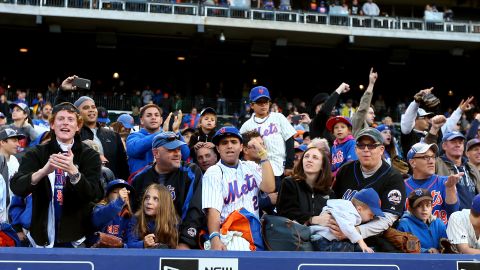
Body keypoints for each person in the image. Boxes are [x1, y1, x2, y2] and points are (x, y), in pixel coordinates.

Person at [10, 102, 103, 247]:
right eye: (60, 119)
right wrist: (43, 172)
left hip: (76, 238)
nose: (65, 123)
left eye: (70, 119)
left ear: (78, 126)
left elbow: (95, 194)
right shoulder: (36, 153)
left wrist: (74, 173)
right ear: (52, 124)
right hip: (41, 237)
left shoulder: (90, 156)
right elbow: (17, 187)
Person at [202, 126, 275, 250]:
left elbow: (269, 187)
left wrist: (263, 153)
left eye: (234, 142)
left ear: (241, 147)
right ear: (218, 149)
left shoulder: (251, 166)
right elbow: (213, 210)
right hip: (230, 234)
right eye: (224, 143)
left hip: (254, 233)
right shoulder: (214, 172)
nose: (229, 146)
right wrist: (215, 238)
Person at [333, 128, 406, 250]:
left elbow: (388, 218)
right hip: (340, 230)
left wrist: (355, 231)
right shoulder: (345, 170)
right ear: (356, 150)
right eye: (361, 146)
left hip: (374, 237)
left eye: (371, 145)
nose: (366, 150)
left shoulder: (393, 177)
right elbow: (333, 201)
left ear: (381, 149)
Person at [130, 131, 204, 249]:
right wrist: (142, 243)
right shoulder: (139, 178)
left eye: (179, 149)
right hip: (146, 243)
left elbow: (194, 210)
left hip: (179, 240)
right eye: (171, 150)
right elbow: (134, 215)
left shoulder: (191, 172)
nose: (177, 154)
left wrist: (185, 242)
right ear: (156, 153)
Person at [240, 86, 296, 191]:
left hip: (281, 167)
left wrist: (289, 165)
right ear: (252, 105)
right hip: (259, 171)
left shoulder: (278, 117)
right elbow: (240, 148)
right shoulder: (246, 126)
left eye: (266, 102)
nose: (263, 105)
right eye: (259, 102)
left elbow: (289, 140)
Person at [310, 188, 384, 253]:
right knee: (347, 250)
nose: (371, 218)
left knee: (350, 247)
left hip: (320, 237)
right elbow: (347, 227)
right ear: (359, 209)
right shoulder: (351, 213)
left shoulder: (345, 206)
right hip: (323, 240)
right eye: (370, 215)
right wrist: (362, 243)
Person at [74, 96, 130, 181]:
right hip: (85, 186)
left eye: (93, 107)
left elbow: (123, 167)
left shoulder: (113, 136)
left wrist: (122, 185)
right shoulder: (74, 135)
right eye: (86, 108)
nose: (91, 110)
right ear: (77, 113)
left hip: (111, 188)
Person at [277, 146, 334, 226]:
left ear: (322, 166)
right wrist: (312, 219)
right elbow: (285, 212)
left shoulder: (328, 192)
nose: (309, 160)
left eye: (315, 157)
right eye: (306, 156)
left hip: (321, 235)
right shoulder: (289, 183)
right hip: (295, 235)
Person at [404, 142, 460, 224]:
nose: (431, 161)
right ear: (412, 162)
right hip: (413, 235)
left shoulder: (445, 182)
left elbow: (453, 212)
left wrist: (450, 188)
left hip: (442, 234)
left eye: (433, 157)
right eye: (426, 157)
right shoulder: (402, 186)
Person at [127, 104, 189, 174]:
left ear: (161, 120)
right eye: (149, 115)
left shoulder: (170, 136)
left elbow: (185, 156)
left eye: (156, 115)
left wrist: (176, 131)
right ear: (141, 120)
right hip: (141, 183)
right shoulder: (134, 136)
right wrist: (161, 134)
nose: (153, 118)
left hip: (164, 182)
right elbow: (134, 150)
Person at [435, 131, 480, 210]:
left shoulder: (471, 167)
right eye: (453, 142)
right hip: (449, 216)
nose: (458, 145)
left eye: (460, 142)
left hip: (473, 217)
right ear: (444, 146)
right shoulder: (436, 163)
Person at [126, 184, 179, 249]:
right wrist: (143, 244)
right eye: (147, 198)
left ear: (164, 204)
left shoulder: (173, 221)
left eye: (155, 199)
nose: (149, 202)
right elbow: (129, 245)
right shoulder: (136, 219)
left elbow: (174, 247)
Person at [397, 188, 447, 253]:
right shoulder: (405, 225)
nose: (424, 209)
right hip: (415, 261)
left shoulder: (438, 224)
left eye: (428, 205)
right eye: (419, 206)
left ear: (432, 207)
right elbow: (406, 247)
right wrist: (425, 251)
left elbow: (446, 246)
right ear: (410, 209)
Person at [92, 179, 134, 245]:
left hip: (119, 254)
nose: (121, 195)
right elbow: (97, 220)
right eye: (116, 192)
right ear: (107, 196)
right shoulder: (99, 208)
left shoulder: (129, 216)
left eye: (125, 192)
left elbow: (130, 243)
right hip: (96, 253)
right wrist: (119, 201)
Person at [0, 128, 25, 223]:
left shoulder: (14, 160)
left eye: (18, 141)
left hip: (11, 216)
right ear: (2, 142)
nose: (18, 144)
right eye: (14, 141)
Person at [351, 68, 378, 137]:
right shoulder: (356, 124)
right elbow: (364, 106)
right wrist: (371, 84)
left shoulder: (371, 130)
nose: (374, 116)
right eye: (371, 113)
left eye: (373, 113)